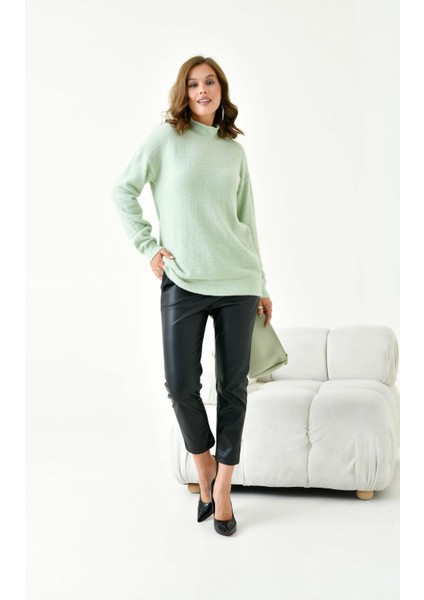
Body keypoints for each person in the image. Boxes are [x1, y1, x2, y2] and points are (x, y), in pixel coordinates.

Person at [111, 55, 273, 536]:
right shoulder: (166, 139)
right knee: (180, 384)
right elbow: (122, 190)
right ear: (184, 92)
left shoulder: (233, 152)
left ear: (221, 91)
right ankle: (203, 466)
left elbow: (247, 221)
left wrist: (262, 286)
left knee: (232, 388)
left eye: (211, 82)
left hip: (238, 281)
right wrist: (148, 247)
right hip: (183, 278)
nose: (203, 90)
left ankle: (222, 487)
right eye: (194, 83)